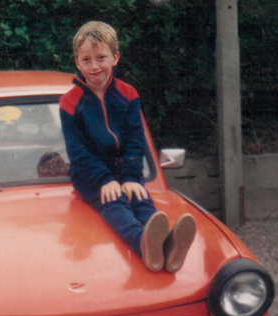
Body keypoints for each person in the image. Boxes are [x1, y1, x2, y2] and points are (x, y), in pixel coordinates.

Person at [59, 21, 196, 273]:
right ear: (78, 63)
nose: (94, 66)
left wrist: (132, 177)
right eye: (86, 60)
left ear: (115, 57)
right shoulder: (70, 102)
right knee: (116, 203)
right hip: (91, 178)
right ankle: (143, 244)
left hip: (126, 170)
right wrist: (104, 180)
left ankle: (168, 247)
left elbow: (135, 139)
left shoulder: (128, 94)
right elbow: (77, 151)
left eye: (101, 57)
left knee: (141, 200)